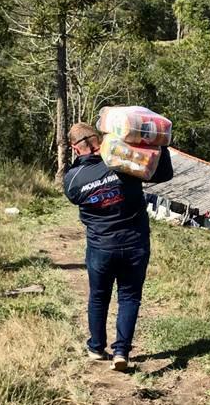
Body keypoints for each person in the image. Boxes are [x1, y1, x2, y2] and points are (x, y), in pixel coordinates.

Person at [63, 121, 173, 371]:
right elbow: (163, 173)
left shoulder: (73, 179)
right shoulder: (125, 162)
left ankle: (96, 347)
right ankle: (121, 351)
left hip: (100, 248)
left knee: (99, 297)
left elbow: (74, 195)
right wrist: (159, 143)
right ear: (100, 138)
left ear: (74, 147)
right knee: (129, 297)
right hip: (135, 244)